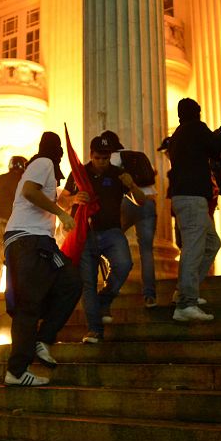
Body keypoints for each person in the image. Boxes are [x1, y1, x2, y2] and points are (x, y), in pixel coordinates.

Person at [3, 132, 81, 386]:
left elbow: (53, 198)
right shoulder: (43, 163)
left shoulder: (42, 168)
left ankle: (39, 342)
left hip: (30, 242)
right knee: (37, 299)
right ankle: (18, 369)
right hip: (30, 241)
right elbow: (29, 192)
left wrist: (70, 202)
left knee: (66, 282)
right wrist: (62, 213)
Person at [61, 135, 145, 343]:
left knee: (125, 264)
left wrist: (132, 185)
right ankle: (94, 330)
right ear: (91, 155)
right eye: (98, 158)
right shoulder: (79, 173)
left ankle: (105, 297)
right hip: (85, 233)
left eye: (106, 158)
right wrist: (73, 199)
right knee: (87, 282)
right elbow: (61, 201)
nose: (102, 162)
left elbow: (141, 201)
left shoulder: (118, 174)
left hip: (111, 231)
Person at [167, 98, 221, 322]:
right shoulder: (195, 128)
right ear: (198, 113)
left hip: (185, 198)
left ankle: (187, 291)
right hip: (192, 198)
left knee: (211, 244)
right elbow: (219, 144)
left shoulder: (178, 134)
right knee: (193, 248)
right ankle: (185, 303)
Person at [98, 130, 159, 308]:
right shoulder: (136, 155)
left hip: (125, 203)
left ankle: (108, 286)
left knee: (106, 242)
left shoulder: (112, 159)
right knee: (146, 251)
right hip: (147, 203)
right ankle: (149, 296)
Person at [0, 156, 27, 301]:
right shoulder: (20, 181)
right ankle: (13, 290)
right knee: (13, 255)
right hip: (9, 222)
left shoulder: (3, 179)